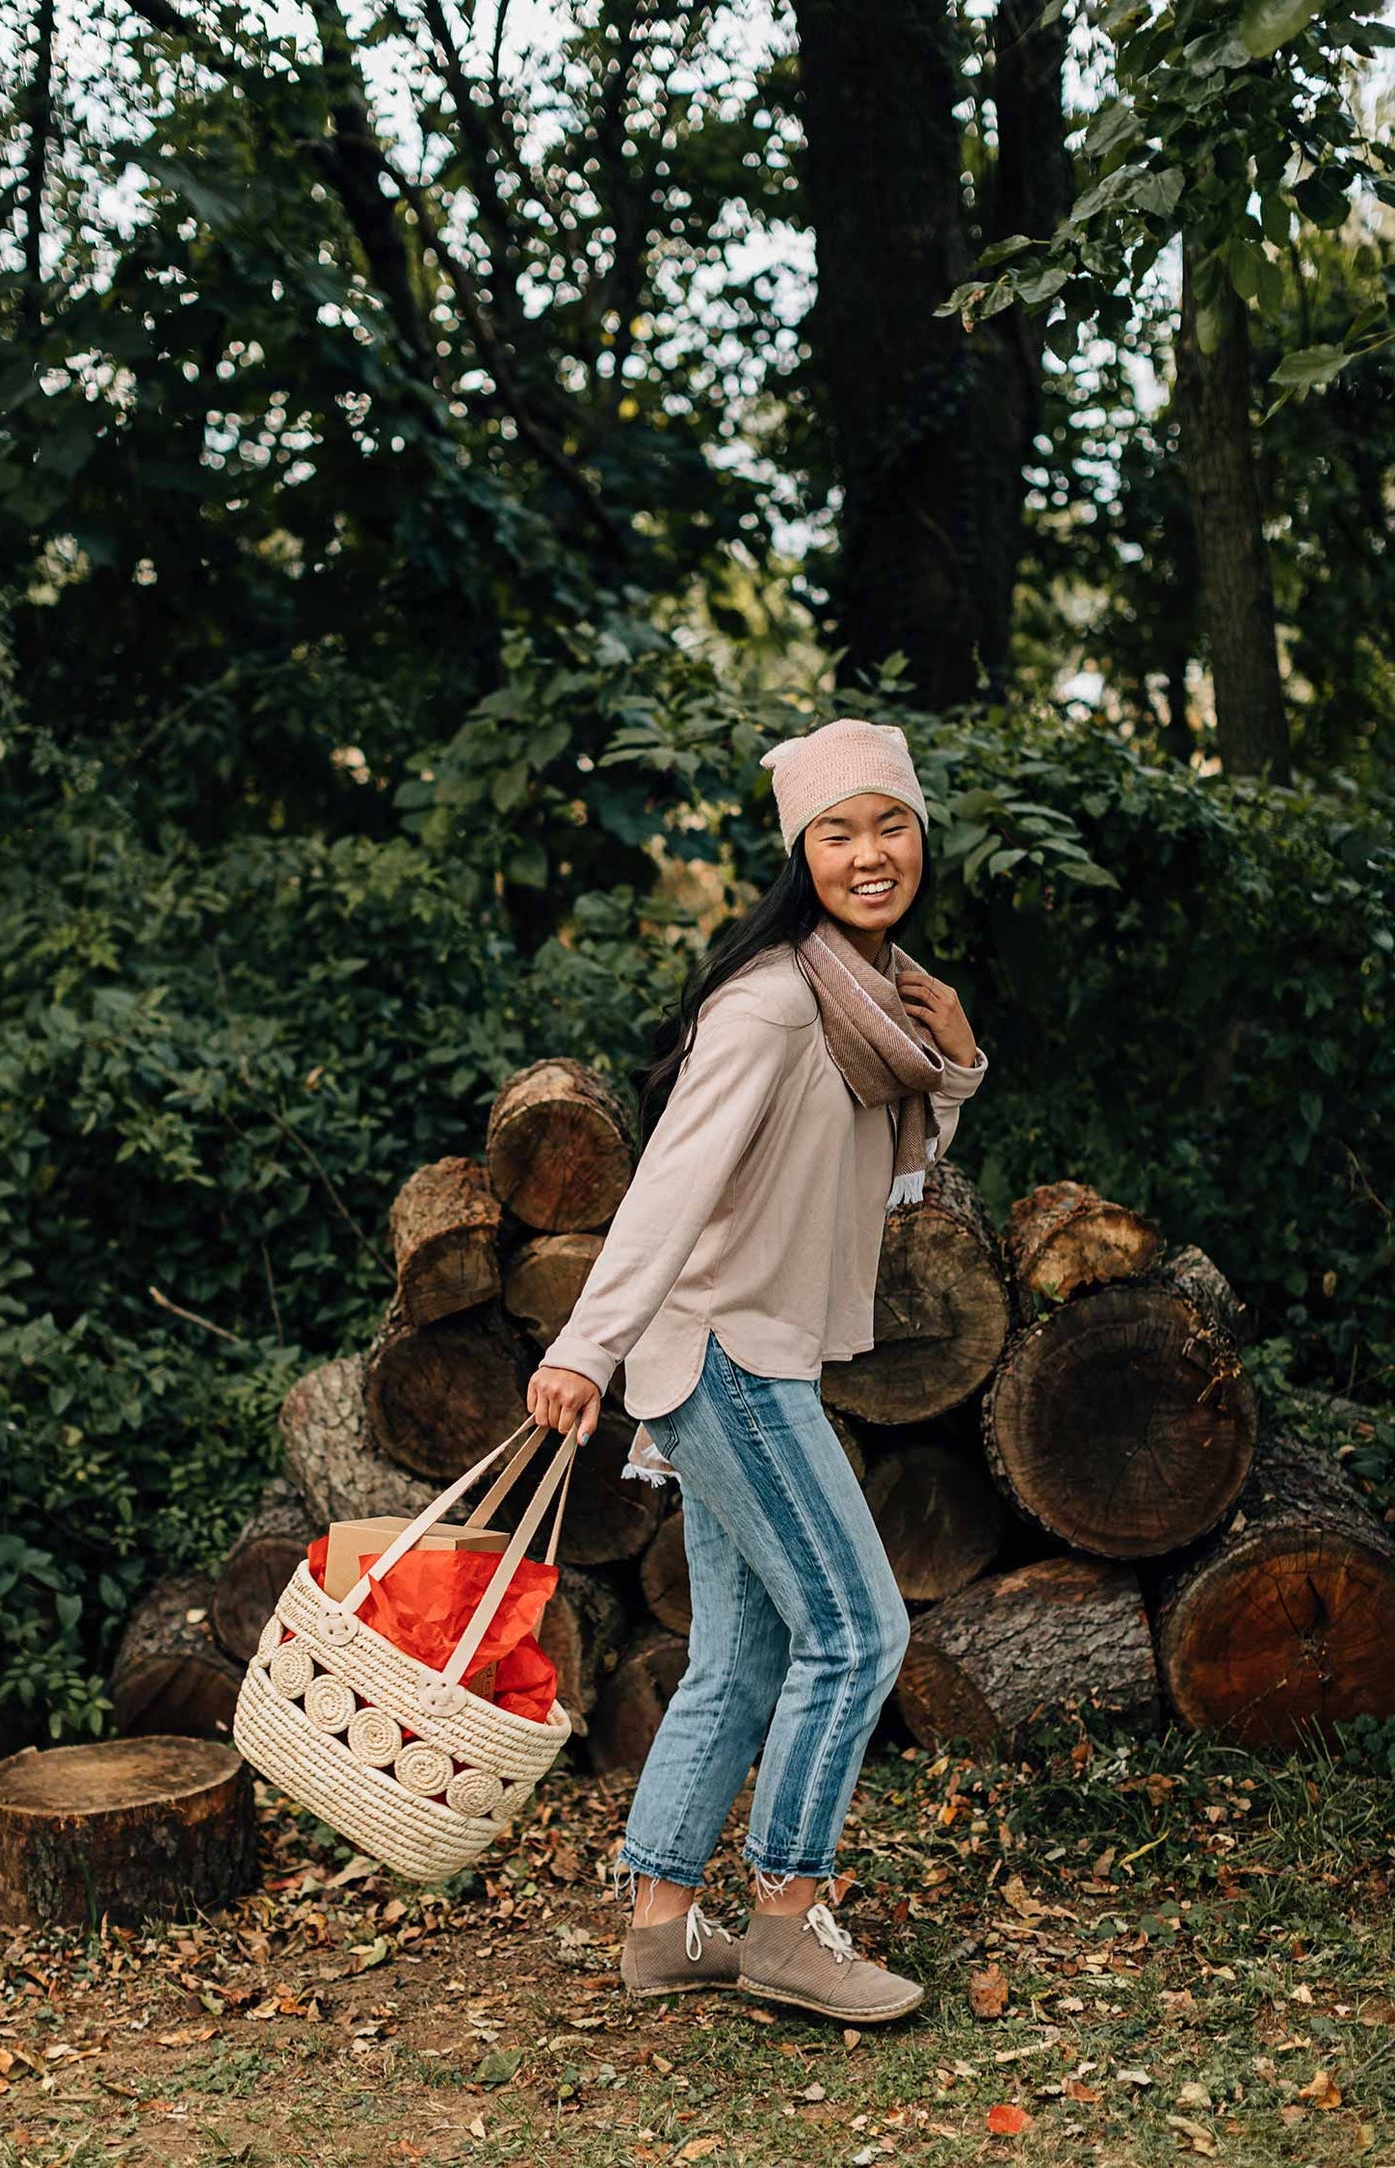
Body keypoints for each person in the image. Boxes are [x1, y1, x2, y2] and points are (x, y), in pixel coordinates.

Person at [526, 716, 989, 2023]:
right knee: (859, 1631)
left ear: (917, 834)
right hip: (722, 1349)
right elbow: (669, 1187)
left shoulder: (859, 1004)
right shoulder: (776, 1002)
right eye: (835, 833)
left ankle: (663, 1930)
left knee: (737, 1650)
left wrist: (949, 1060)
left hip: (743, 1350)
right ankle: (787, 1921)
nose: (866, 852)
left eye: (886, 824)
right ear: (800, 851)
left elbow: (890, 1170)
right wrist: (583, 1346)